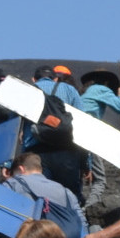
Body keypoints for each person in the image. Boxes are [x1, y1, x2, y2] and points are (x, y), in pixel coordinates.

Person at [28, 65, 91, 204]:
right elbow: (83, 127)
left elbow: (14, 127)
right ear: (55, 79)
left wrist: (8, 165)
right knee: (69, 199)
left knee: (38, 200)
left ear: (33, 79)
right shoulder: (70, 90)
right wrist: (86, 163)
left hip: (36, 154)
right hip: (67, 152)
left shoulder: (27, 92)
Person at [77, 69, 120, 207]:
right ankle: (89, 210)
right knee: (100, 180)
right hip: (88, 134)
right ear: (106, 82)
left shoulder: (84, 92)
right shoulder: (100, 89)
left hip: (76, 133)